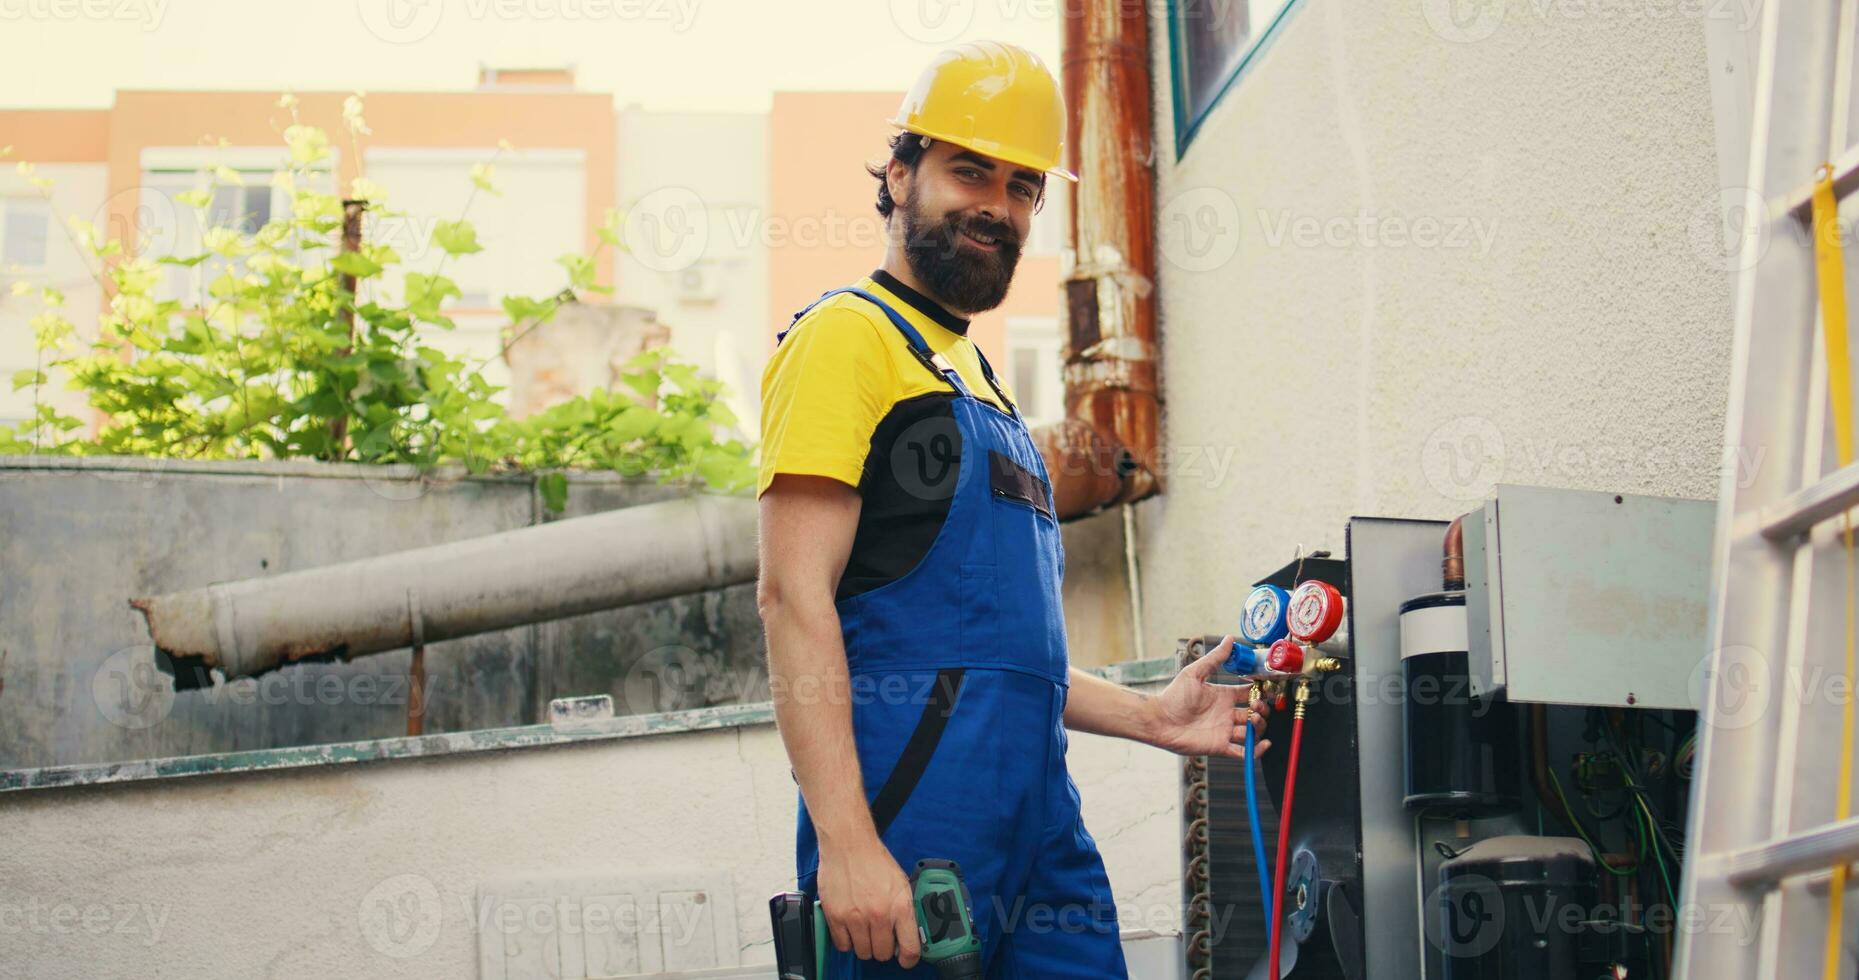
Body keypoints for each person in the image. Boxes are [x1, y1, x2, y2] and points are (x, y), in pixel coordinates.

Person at [755, 40, 1269, 978]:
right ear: (901, 174)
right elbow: (793, 600)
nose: (997, 206)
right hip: (910, 821)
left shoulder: (978, 381)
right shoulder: (846, 340)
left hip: (1036, 822)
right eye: (968, 172)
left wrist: (1154, 717)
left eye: (1023, 185)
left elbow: (996, 655)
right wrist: (848, 844)